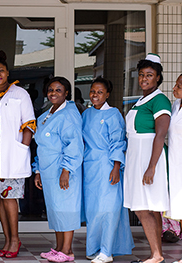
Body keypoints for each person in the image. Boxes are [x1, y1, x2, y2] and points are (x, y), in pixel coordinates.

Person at [0, 50, 36, 258]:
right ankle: (6, 239)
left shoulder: (19, 94)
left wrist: (22, 149)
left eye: (1, 71)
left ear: (7, 73)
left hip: (12, 153)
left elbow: (29, 124)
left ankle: (15, 239)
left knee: (10, 197)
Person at [124, 53, 171, 263]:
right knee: (148, 207)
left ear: (158, 78)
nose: (144, 79)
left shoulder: (160, 99)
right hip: (137, 156)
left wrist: (151, 167)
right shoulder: (142, 100)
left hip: (149, 157)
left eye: (149, 75)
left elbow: (160, 135)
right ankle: (156, 254)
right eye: (141, 75)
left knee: (145, 207)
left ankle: (156, 254)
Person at [82, 77, 134, 263]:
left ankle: (107, 251)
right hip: (90, 167)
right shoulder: (86, 114)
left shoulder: (113, 114)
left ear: (108, 95)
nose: (95, 95)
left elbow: (118, 142)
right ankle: (93, 248)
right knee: (93, 209)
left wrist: (116, 166)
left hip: (108, 165)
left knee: (109, 209)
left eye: (100, 92)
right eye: (93, 91)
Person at [33, 76, 83, 263]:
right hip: (48, 170)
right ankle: (59, 248)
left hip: (63, 170)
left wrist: (66, 170)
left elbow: (74, 144)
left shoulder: (69, 114)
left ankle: (68, 250)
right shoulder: (47, 114)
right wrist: (37, 170)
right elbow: (41, 145)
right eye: (51, 90)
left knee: (66, 208)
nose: (53, 93)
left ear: (67, 93)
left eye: (58, 90)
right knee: (55, 209)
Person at [165, 74, 182, 250]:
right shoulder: (176, 105)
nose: (174, 89)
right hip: (174, 159)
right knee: (177, 201)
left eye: (178, 86)